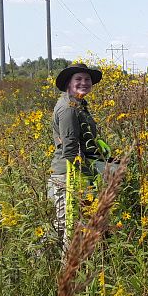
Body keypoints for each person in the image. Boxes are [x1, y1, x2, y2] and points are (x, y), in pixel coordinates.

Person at [47, 63, 110, 250]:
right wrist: (86, 178)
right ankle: (61, 266)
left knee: (76, 221)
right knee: (68, 224)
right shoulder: (68, 108)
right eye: (78, 79)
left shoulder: (78, 104)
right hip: (68, 174)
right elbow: (70, 149)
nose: (84, 82)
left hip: (78, 170)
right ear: (69, 83)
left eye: (87, 79)